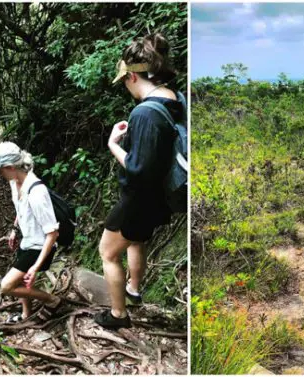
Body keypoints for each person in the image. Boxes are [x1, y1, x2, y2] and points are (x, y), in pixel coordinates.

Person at [96, 33, 186, 329]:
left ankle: (118, 315)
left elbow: (137, 168)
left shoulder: (144, 112)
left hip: (139, 199)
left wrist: (114, 145)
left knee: (108, 253)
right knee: (136, 242)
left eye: (124, 80)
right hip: (159, 198)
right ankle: (134, 290)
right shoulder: (174, 98)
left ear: (133, 76)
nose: (125, 86)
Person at [0, 142, 64, 323]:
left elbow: (52, 233)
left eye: (0, 170)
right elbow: (20, 211)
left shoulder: (37, 192)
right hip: (27, 241)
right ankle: (26, 314)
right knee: (20, 282)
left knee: (6, 286)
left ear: (11, 167)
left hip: (40, 246)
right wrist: (14, 229)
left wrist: (36, 266)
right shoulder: (15, 183)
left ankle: (53, 301)